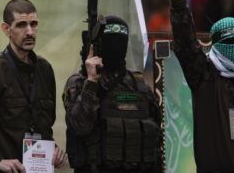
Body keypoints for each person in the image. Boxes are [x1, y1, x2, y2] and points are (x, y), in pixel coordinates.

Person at [0, 0, 67, 173]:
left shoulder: (45, 70)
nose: (30, 31)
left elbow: (43, 125)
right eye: (21, 25)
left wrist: (53, 149)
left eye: (34, 24)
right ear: (6, 29)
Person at [169, 0, 234, 172]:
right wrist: (178, 1)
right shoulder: (204, 76)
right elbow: (186, 43)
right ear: (215, 45)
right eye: (230, 42)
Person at [63, 15, 162, 173]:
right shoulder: (80, 82)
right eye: (110, 40)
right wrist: (92, 82)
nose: (116, 46)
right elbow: (79, 126)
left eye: (121, 40)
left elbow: (154, 136)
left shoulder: (139, 85)